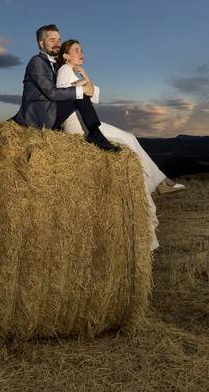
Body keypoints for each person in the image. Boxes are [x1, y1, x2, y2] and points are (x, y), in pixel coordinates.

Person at [55, 39, 186, 251]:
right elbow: (67, 94)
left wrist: (85, 76)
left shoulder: (74, 71)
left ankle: (160, 182)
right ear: (66, 56)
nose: (81, 52)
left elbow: (93, 95)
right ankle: (161, 182)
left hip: (86, 123)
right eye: (76, 50)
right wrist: (82, 84)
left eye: (82, 49)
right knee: (131, 139)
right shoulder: (63, 70)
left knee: (131, 151)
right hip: (79, 127)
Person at [11, 24, 119, 153]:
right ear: (41, 43)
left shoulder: (56, 65)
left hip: (51, 110)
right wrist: (81, 89)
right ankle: (95, 135)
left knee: (78, 92)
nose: (57, 43)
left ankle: (95, 134)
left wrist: (81, 82)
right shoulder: (37, 62)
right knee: (79, 93)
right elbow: (52, 93)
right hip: (40, 117)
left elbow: (63, 87)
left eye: (58, 40)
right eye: (52, 40)